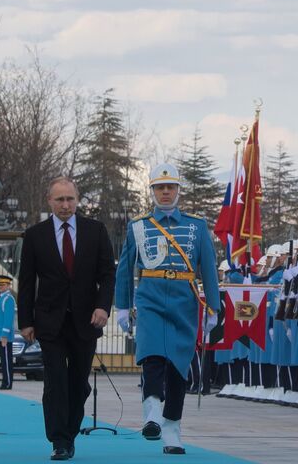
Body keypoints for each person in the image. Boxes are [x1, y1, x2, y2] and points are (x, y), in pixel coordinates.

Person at [115, 163, 222, 455]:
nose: (165, 192)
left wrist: (214, 306)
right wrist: (122, 306)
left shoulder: (196, 226)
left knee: (178, 367)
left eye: (170, 187)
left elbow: (208, 269)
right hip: (150, 298)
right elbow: (125, 270)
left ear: (178, 191)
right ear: (152, 191)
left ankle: (172, 427)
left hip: (184, 300)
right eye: (160, 188)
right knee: (152, 356)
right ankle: (151, 411)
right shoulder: (138, 226)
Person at [17, 177, 116, 461]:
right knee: (55, 380)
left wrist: (103, 307)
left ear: (77, 199)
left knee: (78, 383)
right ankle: (59, 440)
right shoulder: (36, 235)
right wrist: (26, 321)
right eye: (59, 199)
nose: (65, 205)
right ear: (49, 201)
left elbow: (107, 275)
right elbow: (26, 282)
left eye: (70, 199)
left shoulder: (95, 231)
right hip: (50, 321)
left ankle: (70, 430)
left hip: (86, 321)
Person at [0, 275, 17, 390]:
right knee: (4, 359)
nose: (0, 287)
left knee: (6, 360)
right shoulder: (1, 299)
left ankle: (7, 383)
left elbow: (8, 318)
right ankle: (5, 381)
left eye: (3, 285)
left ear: (8, 286)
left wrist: (4, 335)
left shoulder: (8, 299)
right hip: (0, 335)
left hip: (3, 336)